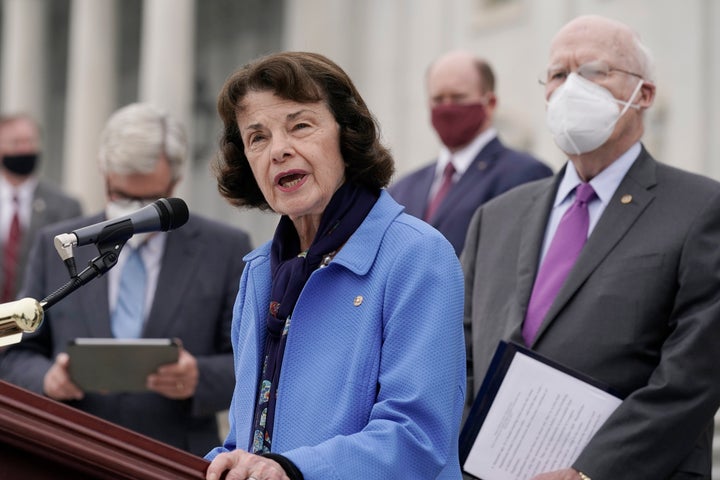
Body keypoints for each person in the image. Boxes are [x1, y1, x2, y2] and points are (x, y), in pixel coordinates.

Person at [462, 14, 720, 480]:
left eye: (593, 71)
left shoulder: (700, 208)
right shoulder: (495, 218)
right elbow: (458, 357)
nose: (570, 88)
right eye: (558, 74)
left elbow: (694, 373)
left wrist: (590, 472)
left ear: (644, 94)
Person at [203, 52, 465, 480]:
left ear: (347, 134)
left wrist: (291, 469)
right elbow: (249, 441)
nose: (280, 150)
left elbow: (416, 437)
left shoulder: (417, 257)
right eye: (257, 138)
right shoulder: (258, 274)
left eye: (300, 126)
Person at [0, 103, 252, 456]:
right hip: (69, 451)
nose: (133, 211)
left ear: (175, 181)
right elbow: (14, 353)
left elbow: (251, 364)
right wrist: (46, 379)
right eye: (122, 195)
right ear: (104, 174)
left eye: (148, 200)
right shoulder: (57, 244)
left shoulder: (226, 248)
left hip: (174, 456)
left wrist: (199, 377)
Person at [389, 50, 552, 256]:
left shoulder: (525, 175)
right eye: (438, 100)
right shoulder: (404, 189)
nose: (447, 109)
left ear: (490, 103)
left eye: (458, 98)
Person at [0, 113, 82, 303]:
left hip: (37, 315)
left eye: (30, 141)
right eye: (16, 143)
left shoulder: (65, 207)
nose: (25, 149)